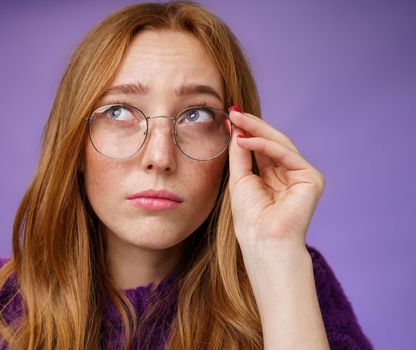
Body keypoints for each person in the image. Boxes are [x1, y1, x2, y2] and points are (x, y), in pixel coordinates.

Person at [0, 1, 372, 349]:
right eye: (119, 112)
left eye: (196, 115)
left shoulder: (292, 280)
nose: (160, 158)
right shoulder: (5, 302)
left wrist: (275, 255)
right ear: (76, 145)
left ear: (236, 143)